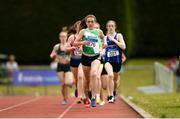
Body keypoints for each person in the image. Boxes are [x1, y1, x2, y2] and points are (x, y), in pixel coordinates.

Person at [74, 15, 106, 107]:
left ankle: (94, 97)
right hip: (85, 57)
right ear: (86, 23)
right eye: (88, 22)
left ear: (95, 22)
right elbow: (75, 43)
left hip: (96, 56)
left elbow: (103, 38)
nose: (90, 23)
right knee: (87, 80)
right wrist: (83, 42)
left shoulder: (99, 31)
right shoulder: (83, 32)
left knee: (94, 74)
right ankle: (87, 97)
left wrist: (104, 44)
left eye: (92, 21)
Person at [103, 20, 126, 102]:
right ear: (107, 27)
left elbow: (123, 47)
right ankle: (110, 96)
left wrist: (114, 40)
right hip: (108, 61)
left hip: (117, 62)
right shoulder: (105, 37)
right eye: (109, 26)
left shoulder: (119, 35)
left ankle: (114, 91)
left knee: (115, 81)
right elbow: (102, 49)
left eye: (112, 26)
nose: (110, 27)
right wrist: (103, 46)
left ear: (115, 27)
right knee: (110, 76)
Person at [50, 31, 74, 105]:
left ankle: (70, 83)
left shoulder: (69, 46)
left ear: (66, 37)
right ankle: (64, 99)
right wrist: (54, 56)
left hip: (67, 66)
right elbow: (52, 55)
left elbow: (73, 55)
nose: (63, 38)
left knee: (68, 82)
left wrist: (69, 58)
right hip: (60, 66)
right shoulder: (57, 46)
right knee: (63, 84)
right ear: (59, 38)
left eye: (64, 36)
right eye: (61, 36)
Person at [66, 20, 85, 103]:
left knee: (80, 76)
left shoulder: (85, 36)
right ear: (75, 27)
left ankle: (80, 95)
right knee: (76, 79)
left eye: (81, 25)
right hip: (73, 60)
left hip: (82, 59)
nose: (79, 27)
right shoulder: (72, 37)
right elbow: (66, 48)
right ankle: (78, 89)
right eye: (78, 25)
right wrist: (72, 48)